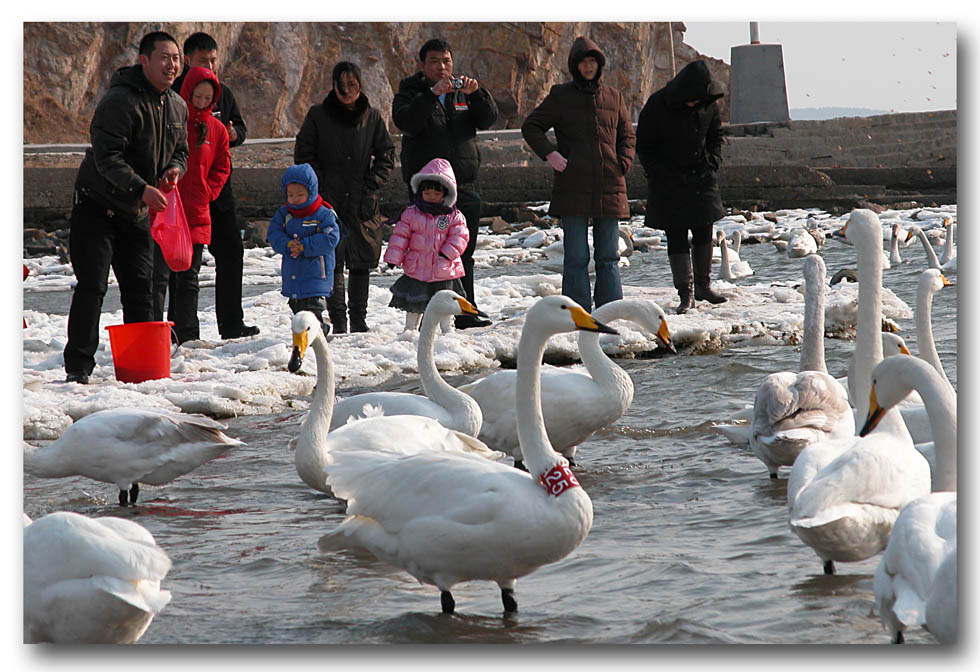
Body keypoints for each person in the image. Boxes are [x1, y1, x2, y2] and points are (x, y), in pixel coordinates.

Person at [63, 31, 188, 384]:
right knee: (92, 286)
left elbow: (182, 150)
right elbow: (107, 158)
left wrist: (175, 169)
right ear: (144, 61)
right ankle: (78, 369)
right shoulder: (120, 101)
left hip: (137, 211)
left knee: (141, 291)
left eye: (176, 58)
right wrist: (141, 188)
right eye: (164, 57)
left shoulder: (177, 105)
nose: (171, 64)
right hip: (97, 206)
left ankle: (139, 371)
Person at [521, 36, 636, 312]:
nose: (588, 67)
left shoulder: (613, 96)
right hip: (572, 184)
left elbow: (627, 134)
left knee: (609, 255)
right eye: (583, 62)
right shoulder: (561, 95)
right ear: (575, 66)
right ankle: (577, 313)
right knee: (576, 256)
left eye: (593, 61)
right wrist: (551, 154)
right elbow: (532, 126)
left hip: (610, 184)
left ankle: (611, 311)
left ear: (599, 65)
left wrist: (623, 164)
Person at [392, 37, 498, 329]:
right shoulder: (410, 92)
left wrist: (478, 94)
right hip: (428, 191)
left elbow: (488, 118)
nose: (442, 67)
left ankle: (465, 311)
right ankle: (422, 313)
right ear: (423, 65)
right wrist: (431, 95)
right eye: (435, 62)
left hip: (464, 184)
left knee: (463, 252)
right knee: (425, 253)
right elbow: (406, 122)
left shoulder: (461, 92)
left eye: (446, 61)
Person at [295, 61, 395, 334]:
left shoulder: (372, 117)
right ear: (334, 85)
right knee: (332, 262)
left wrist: (372, 183)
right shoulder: (318, 115)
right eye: (343, 84)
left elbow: (387, 155)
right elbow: (304, 154)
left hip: (363, 200)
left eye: (354, 84)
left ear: (361, 85)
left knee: (362, 261)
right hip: (328, 201)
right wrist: (319, 188)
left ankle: (359, 321)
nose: (348, 90)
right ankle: (339, 322)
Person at [173, 32, 259, 340]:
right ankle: (181, 328)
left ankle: (231, 324)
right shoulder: (174, 95)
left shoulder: (223, 93)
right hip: (182, 195)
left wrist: (234, 135)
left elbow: (239, 129)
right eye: (202, 60)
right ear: (186, 60)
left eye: (213, 59)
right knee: (183, 264)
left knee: (231, 254)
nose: (209, 65)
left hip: (217, 191)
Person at [635, 59, 728, 314]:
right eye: (691, 101)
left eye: (698, 102)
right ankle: (685, 293)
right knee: (676, 235)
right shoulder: (657, 105)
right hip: (668, 181)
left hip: (702, 177)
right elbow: (644, 144)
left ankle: (703, 286)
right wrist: (658, 173)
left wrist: (712, 161)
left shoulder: (708, 103)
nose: (694, 105)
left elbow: (715, 135)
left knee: (703, 230)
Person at [152, 66, 231, 345]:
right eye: (197, 96)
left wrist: (209, 191)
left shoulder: (217, 129)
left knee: (189, 277)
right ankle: (156, 333)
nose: (201, 102)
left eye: (207, 98)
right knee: (160, 277)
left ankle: (187, 334)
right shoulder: (173, 118)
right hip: (167, 208)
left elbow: (222, 166)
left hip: (197, 210)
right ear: (188, 92)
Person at [383, 158, 469, 334]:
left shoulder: (453, 216)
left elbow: (460, 236)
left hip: (444, 267)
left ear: (445, 193)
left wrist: (447, 254)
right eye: (427, 193)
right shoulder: (411, 214)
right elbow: (401, 236)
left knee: (445, 302)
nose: (431, 197)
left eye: (435, 194)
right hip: (418, 267)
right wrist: (393, 258)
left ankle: (447, 330)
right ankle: (410, 330)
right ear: (420, 192)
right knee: (414, 302)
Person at [266, 164, 343, 332]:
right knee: (297, 308)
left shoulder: (323, 214)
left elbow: (331, 237)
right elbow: (274, 233)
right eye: (290, 195)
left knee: (312, 308)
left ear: (311, 192)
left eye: (300, 195)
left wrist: (304, 246)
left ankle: (318, 331)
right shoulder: (284, 214)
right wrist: (287, 244)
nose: (295, 199)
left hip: (315, 273)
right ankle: (313, 331)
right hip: (293, 273)